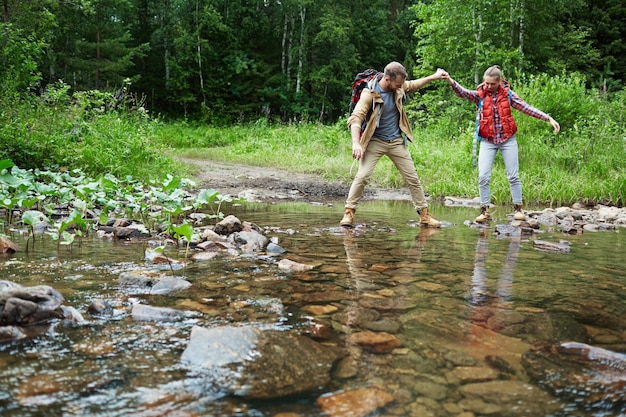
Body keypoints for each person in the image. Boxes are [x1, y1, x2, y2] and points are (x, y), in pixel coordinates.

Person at [442, 65, 560, 223]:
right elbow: (463, 93)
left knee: (513, 176)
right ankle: (485, 211)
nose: (488, 86)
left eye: (492, 84)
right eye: (486, 83)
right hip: (487, 141)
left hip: (507, 139)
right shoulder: (480, 95)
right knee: (483, 176)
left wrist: (548, 118)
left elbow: (526, 108)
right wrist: (450, 80)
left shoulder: (508, 95)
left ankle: (518, 208)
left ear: (499, 82)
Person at [340, 62, 446, 228]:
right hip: (375, 141)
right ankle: (349, 213)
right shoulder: (370, 93)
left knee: (413, 178)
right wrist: (356, 143)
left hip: (396, 141)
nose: (401, 87)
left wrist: (434, 76)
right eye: (398, 84)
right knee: (363, 176)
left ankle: (424, 215)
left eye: (401, 84)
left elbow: (413, 85)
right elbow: (356, 118)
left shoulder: (399, 86)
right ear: (387, 79)